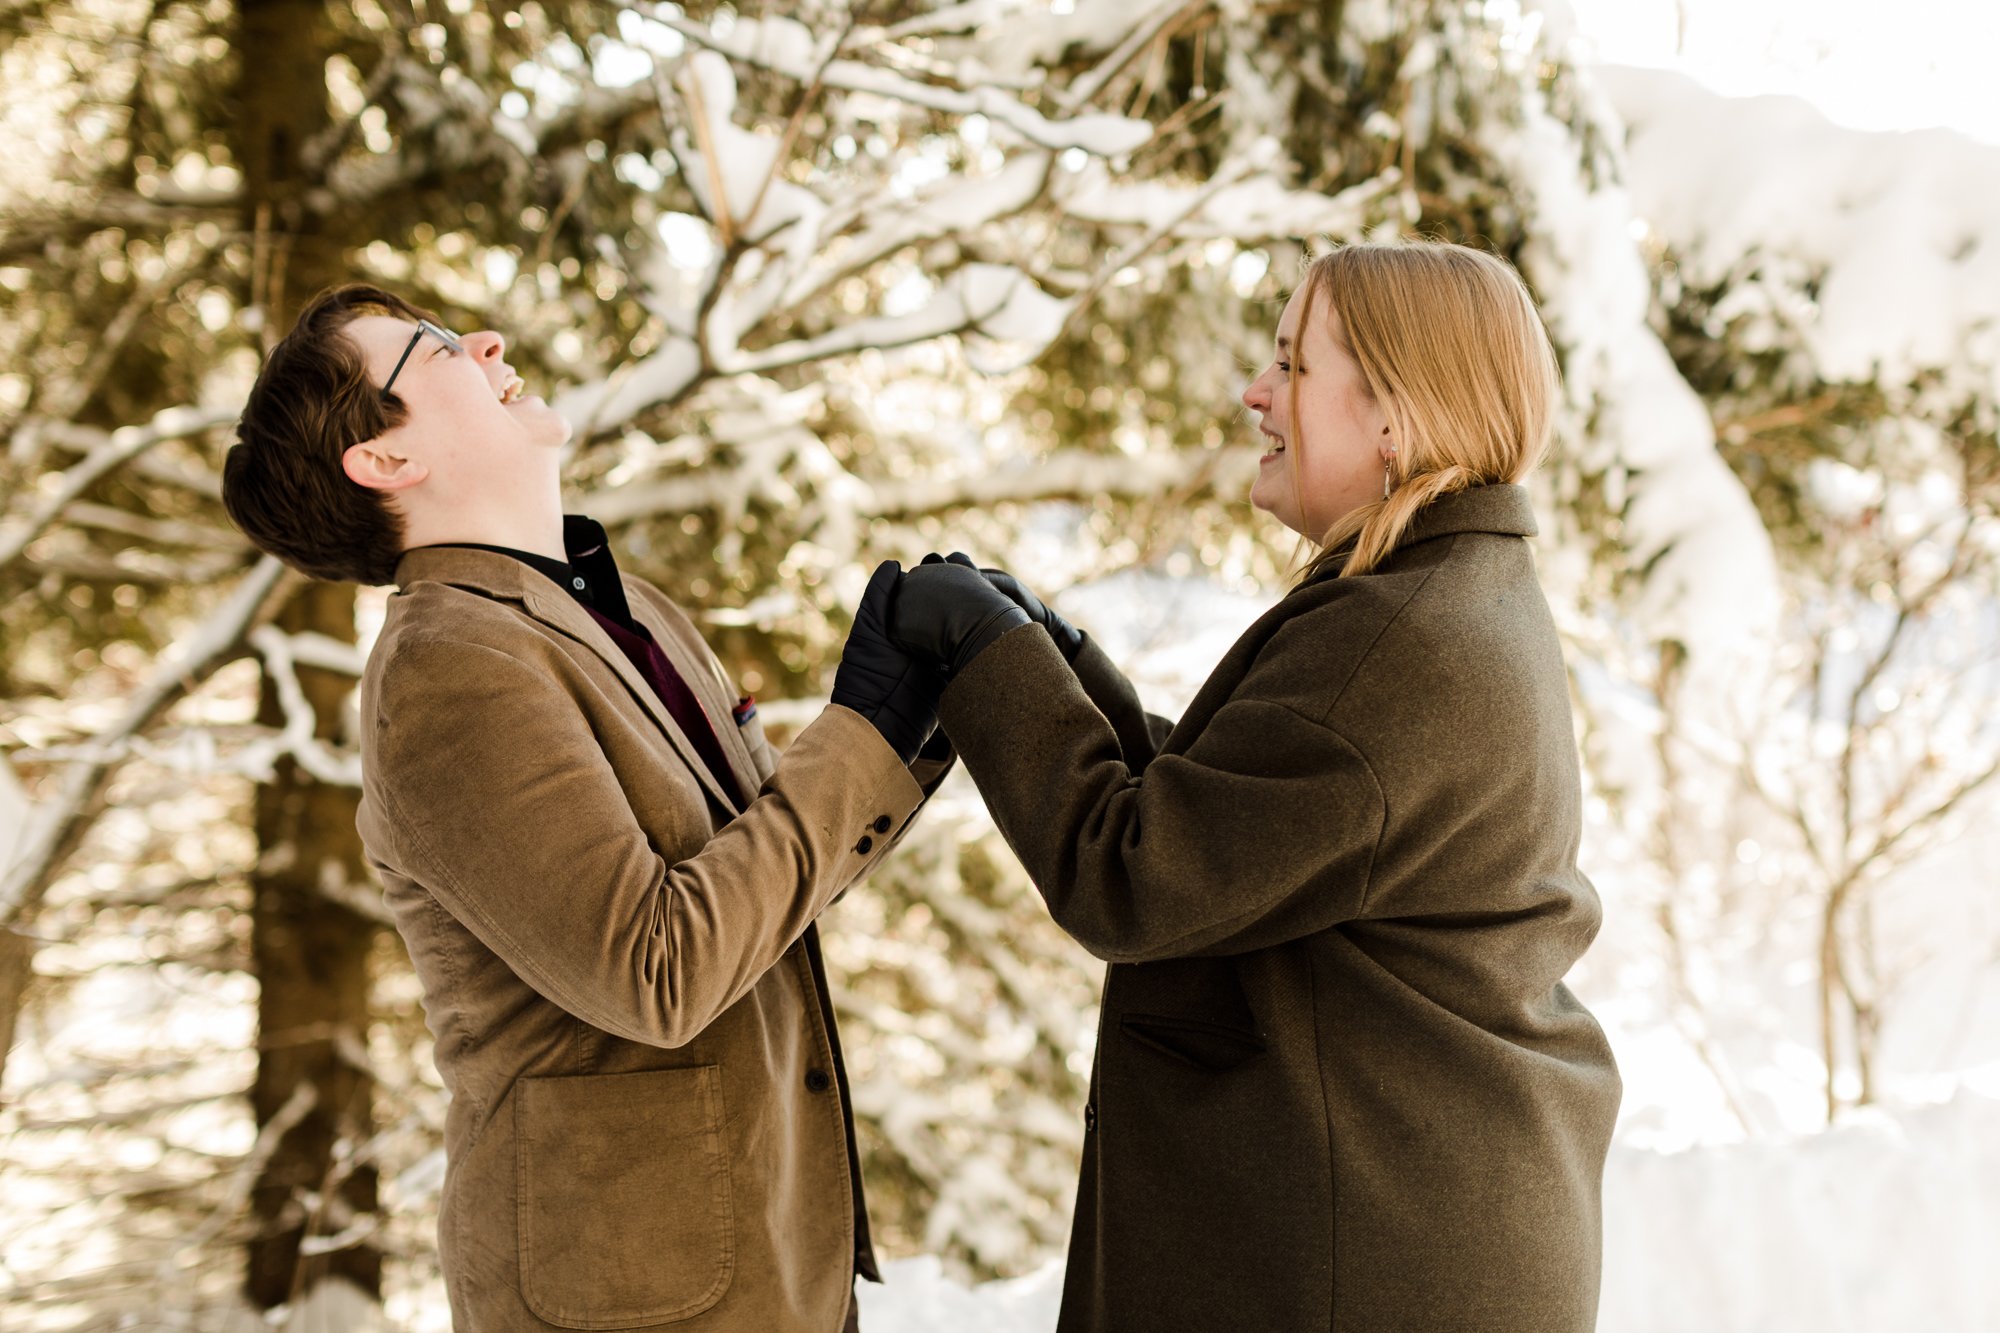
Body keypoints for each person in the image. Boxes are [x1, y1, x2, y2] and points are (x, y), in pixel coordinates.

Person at [858, 240, 1623, 1332]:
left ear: (1393, 414)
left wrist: (987, 657)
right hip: (1417, 1229)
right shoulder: (1450, 594)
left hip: (1358, 1264)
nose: (1254, 393)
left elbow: (1138, 876)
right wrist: (1054, 656)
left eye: (1290, 365)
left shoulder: (1393, 640)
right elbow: (1248, 817)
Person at [222, 284, 951, 1332]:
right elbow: (660, 969)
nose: (483, 340)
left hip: (771, 1258)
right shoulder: (445, 671)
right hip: (633, 1295)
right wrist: (860, 729)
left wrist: (915, 718)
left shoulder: (618, 610)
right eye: (431, 350)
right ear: (385, 461)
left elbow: (760, 888)